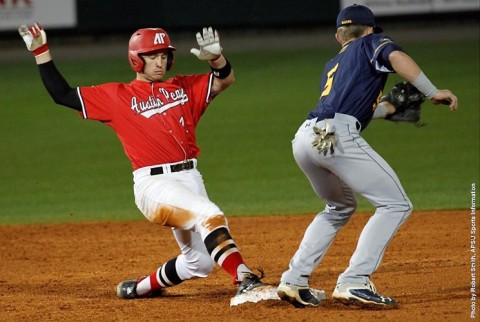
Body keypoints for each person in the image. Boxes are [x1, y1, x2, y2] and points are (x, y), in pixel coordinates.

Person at [18, 23, 266, 299]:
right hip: (155, 186)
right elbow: (62, 94)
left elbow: (224, 79)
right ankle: (244, 276)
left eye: (163, 56)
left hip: (191, 179)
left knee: (200, 262)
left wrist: (216, 59)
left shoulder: (182, 87)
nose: (160, 62)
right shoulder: (117, 96)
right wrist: (41, 50)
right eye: (152, 56)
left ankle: (139, 288)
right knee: (210, 215)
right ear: (136, 59)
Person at [276, 4, 458, 309]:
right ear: (371, 30)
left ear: (338, 36)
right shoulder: (371, 43)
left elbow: (353, 110)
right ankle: (355, 280)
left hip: (307, 137)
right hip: (335, 135)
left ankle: (294, 279)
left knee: (338, 206)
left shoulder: (334, 63)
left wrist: (389, 109)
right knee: (396, 204)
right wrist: (430, 91)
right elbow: (397, 57)